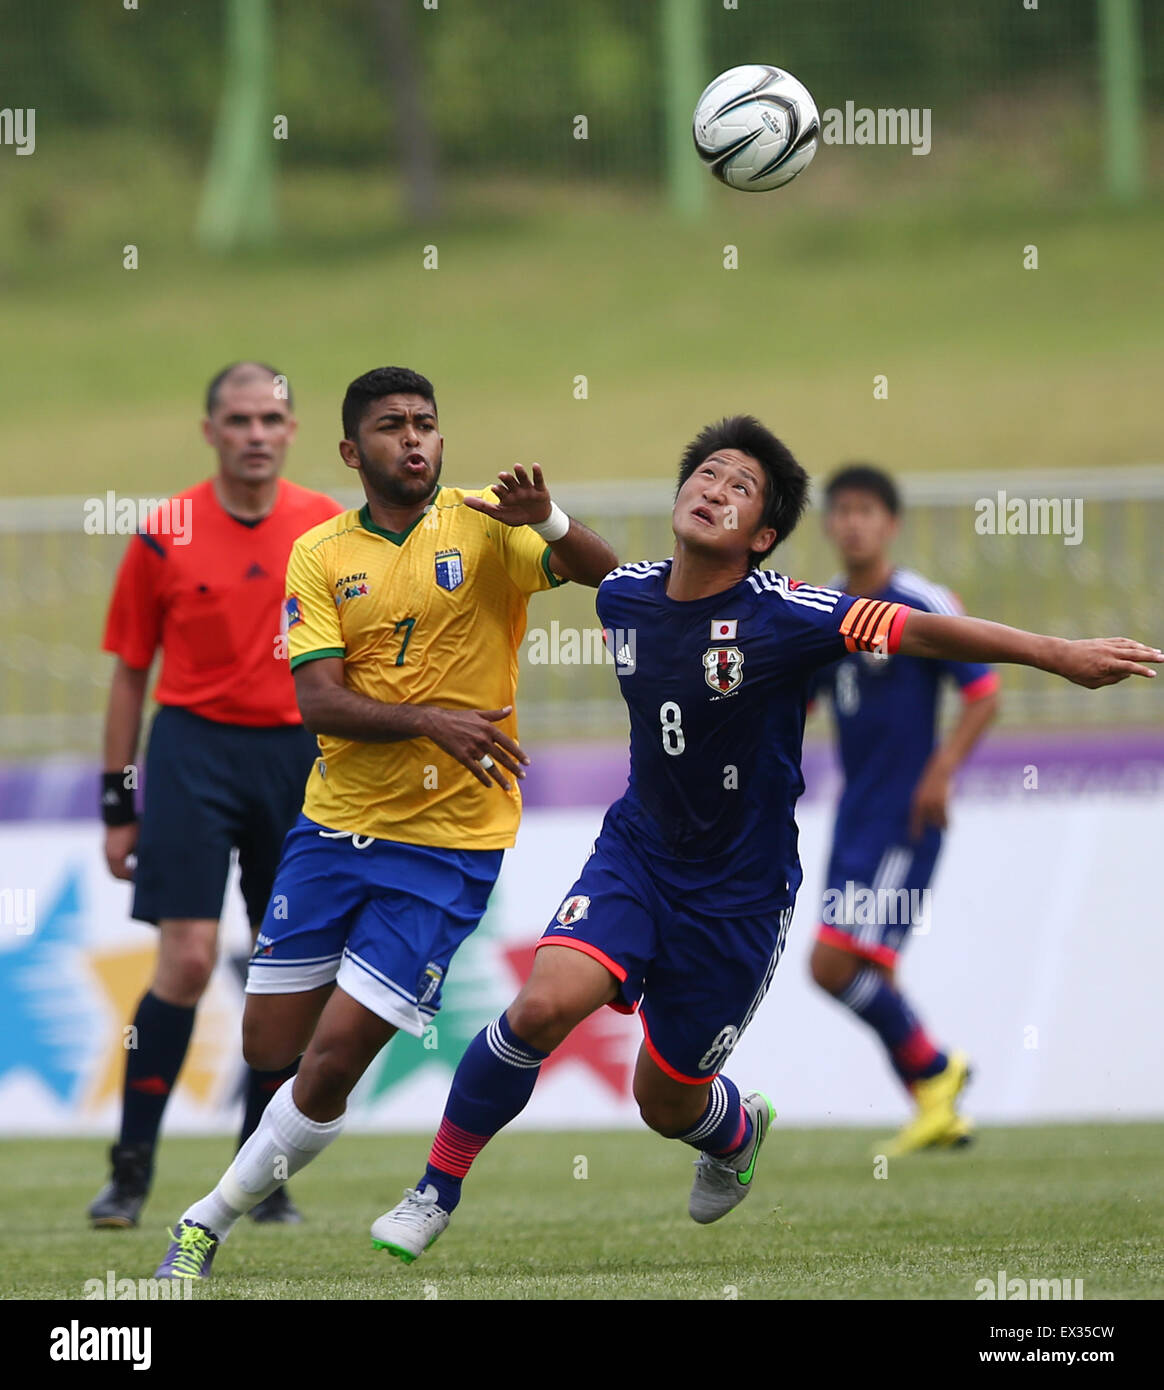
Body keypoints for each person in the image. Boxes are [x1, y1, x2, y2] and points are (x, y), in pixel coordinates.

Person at [362, 415, 1159, 1264]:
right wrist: (550, 522)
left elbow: (920, 631)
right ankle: (433, 1191)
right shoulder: (631, 593)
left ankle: (734, 1132)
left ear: (763, 536)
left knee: (662, 1103)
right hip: (637, 855)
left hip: (740, 895)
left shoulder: (791, 616)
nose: (714, 489)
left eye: (739, 487)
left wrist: (1059, 652)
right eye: (706, 473)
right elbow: (605, 571)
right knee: (542, 1005)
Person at [152, 364, 618, 1279]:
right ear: (350, 450)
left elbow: (615, 581)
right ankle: (352, 1002)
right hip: (333, 831)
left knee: (327, 1065)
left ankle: (202, 1225)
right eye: (393, 426)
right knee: (268, 1048)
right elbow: (318, 701)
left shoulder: (489, 523)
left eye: (427, 424)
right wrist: (430, 720)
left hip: (448, 847)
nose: (414, 439)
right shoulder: (322, 553)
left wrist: (552, 523)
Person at [91, 362, 343, 1228]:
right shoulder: (162, 533)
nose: (256, 434)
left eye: (272, 417)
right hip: (193, 752)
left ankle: (258, 1176)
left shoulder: (325, 526)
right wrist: (118, 803)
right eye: (238, 420)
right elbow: (130, 676)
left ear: (294, 430)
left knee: (289, 977)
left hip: (297, 758)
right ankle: (128, 1175)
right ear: (210, 432)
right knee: (189, 961)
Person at [807, 465, 999, 1154]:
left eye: (868, 510)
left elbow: (984, 691)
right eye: (843, 510)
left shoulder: (917, 601)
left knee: (831, 966)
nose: (854, 522)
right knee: (875, 970)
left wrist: (941, 772)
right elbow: (796, 707)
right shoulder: (825, 613)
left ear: (890, 524)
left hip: (905, 819)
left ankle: (938, 1069)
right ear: (828, 524)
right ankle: (935, 1108)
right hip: (855, 817)